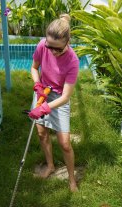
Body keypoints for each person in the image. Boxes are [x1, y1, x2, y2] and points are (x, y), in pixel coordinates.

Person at [28, 14, 80, 192]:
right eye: (50, 47)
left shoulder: (73, 61)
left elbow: (65, 97)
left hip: (58, 98)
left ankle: (72, 179)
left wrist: (45, 107)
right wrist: (37, 84)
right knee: (42, 133)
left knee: (65, 143)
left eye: (57, 49)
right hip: (43, 91)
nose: (52, 51)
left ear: (67, 42)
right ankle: (50, 165)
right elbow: (34, 68)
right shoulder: (43, 45)